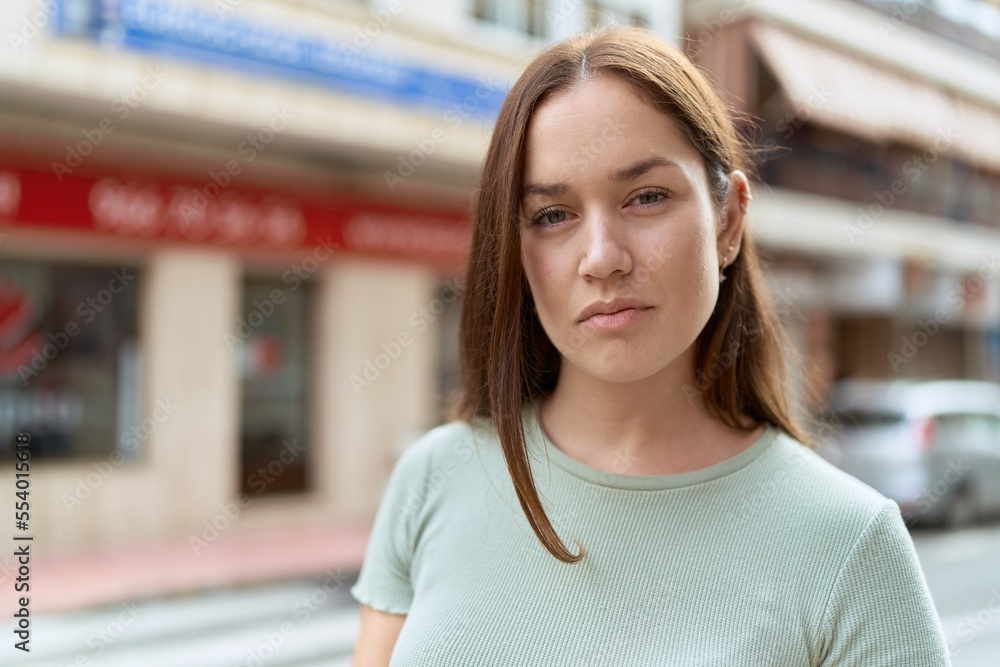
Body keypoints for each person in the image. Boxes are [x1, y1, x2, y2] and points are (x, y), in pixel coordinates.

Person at [351, 25, 951, 666]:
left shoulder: (850, 544)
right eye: (553, 215)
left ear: (728, 222)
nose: (602, 258)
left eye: (647, 197)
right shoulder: (432, 477)